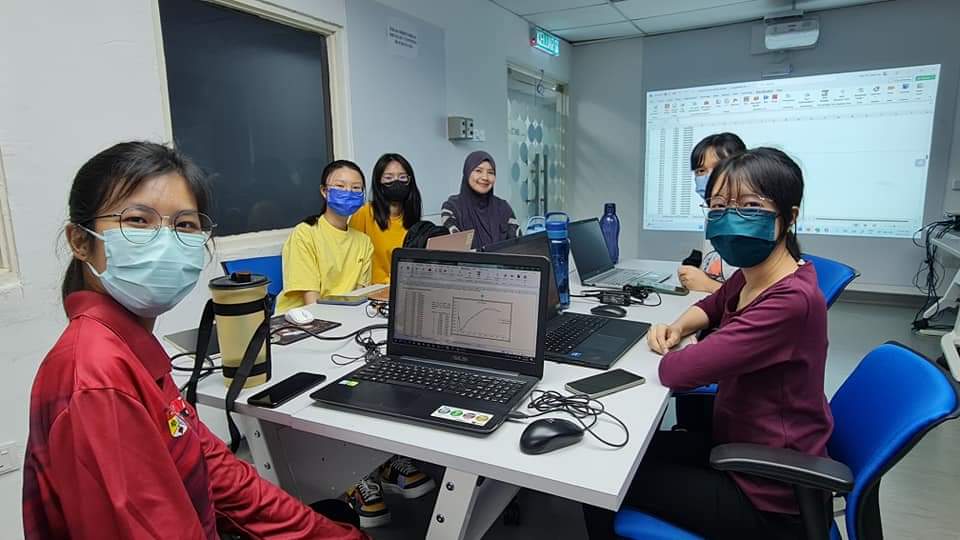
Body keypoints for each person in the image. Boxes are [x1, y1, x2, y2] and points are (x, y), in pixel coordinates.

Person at [23, 141, 365, 539]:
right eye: (138, 220)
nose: (165, 242)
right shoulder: (98, 378)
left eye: (184, 225)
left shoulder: (129, 349)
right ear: (81, 241)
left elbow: (216, 471)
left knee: (335, 517)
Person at [583, 147, 833, 539]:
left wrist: (680, 348)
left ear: (790, 216)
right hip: (740, 446)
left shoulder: (790, 300)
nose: (731, 217)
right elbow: (712, 304)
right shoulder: (758, 273)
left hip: (768, 493)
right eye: (718, 206)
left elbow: (679, 371)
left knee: (601, 475)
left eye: (750, 206)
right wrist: (677, 327)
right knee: (617, 453)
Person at [276, 160, 374, 314]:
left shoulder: (364, 242)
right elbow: (312, 303)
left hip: (345, 317)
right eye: (340, 186)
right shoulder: (305, 233)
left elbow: (359, 297)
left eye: (356, 188)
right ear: (324, 191)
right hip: (304, 319)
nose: (348, 192)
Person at [677, 132, 746, 293]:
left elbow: (760, 296)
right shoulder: (712, 214)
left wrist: (708, 285)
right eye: (700, 171)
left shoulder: (750, 219)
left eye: (718, 167)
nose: (708, 177)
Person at [349, 153, 423, 283]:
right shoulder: (364, 213)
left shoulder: (414, 219)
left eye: (402, 177)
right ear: (378, 182)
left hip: (404, 287)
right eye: (389, 178)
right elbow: (351, 259)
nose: (396, 182)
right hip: (373, 290)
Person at [441, 150, 519, 250]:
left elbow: (518, 245)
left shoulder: (503, 208)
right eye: (478, 171)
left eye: (490, 172)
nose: (485, 177)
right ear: (467, 172)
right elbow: (455, 250)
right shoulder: (451, 208)